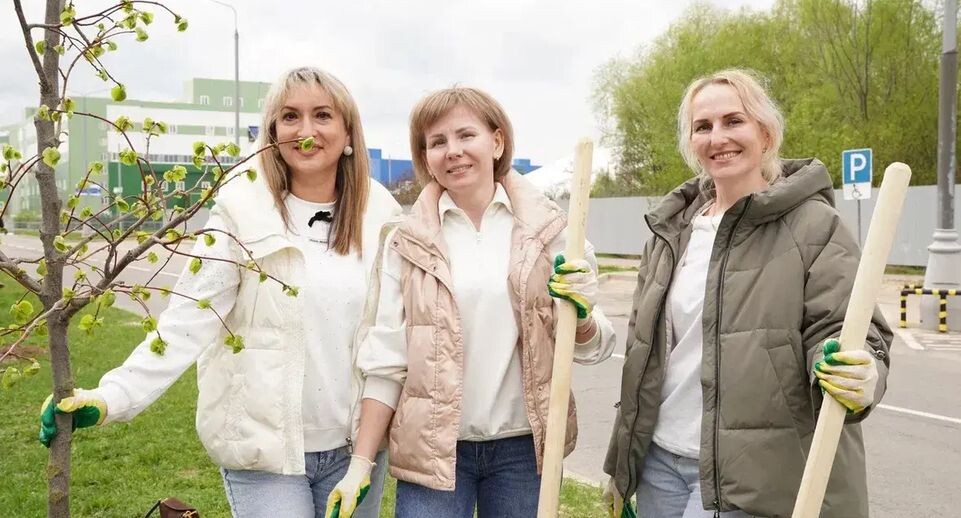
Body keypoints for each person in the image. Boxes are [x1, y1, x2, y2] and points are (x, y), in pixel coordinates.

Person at [38, 66, 400, 518]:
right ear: (272, 132)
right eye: (290, 116)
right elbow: (187, 321)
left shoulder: (381, 215)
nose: (305, 130)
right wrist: (112, 397)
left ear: (348, 132)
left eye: (322, 115)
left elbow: (391, 342)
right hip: (263, 453)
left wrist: (365, 458)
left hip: (355, 451)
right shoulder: (240, 211)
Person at [602, 69, 892, 518]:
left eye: (733, 121)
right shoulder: (671, 233)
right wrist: (623, 460)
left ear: (766, 133)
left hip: (755, 476)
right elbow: (647, 356)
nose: (718, 137)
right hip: (660, 462)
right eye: (703, 126)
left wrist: (854, 368)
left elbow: (843, 327)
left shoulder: (814, 226)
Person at [324, 86, 616, 518]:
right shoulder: (405, 242)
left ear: (496, 142)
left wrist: (584, 315)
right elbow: (387, 360)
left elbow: (596, 347)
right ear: (425, 157)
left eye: (466, 135)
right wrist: (360, 465)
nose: (453, 151)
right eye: (437, 142)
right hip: (433, 451)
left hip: (523, 453)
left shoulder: (552, 231)